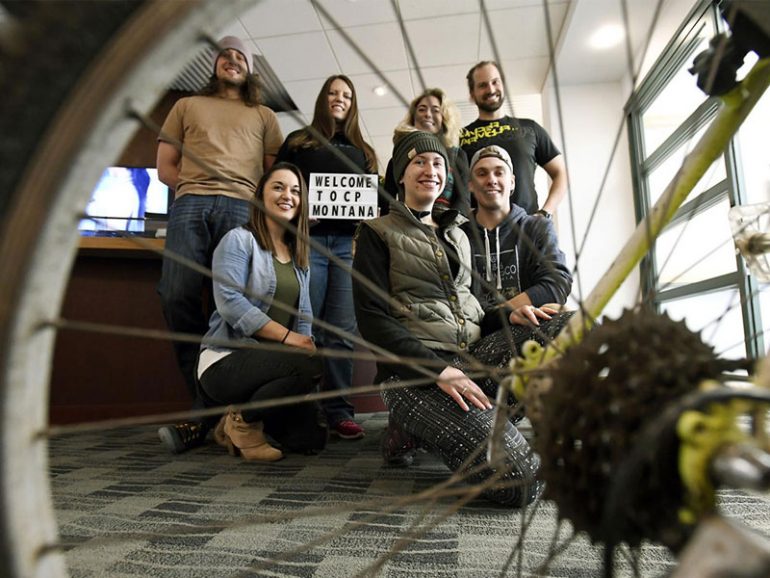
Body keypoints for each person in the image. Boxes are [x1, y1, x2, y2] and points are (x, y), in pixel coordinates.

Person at [353, 130, 559, 507]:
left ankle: (467, 426)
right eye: (419, 161)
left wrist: (511, 316)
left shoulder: (459, 233)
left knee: (567, 327)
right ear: (401, 173)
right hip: (415, 373)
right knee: (520, 482)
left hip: (472, 358)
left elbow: (475, 309)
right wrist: (439, 371)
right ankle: (427, 426)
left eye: (437, 164)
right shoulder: (376, 232)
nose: (430, 169)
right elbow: (372, 321)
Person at [156, 36, 284, 453]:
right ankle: (207, 402)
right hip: (190, 203)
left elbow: (272, 176)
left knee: (234, 308)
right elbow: (164, 168)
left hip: (240, 210)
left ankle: (207, 413)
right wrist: (195, 189)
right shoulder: (186, 106)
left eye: (240, 56)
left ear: (250, 68)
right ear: (214, 64)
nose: (232, 60)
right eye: (225, 55)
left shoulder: (264, 114)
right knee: (177, 295)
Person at [197, 162, 323, 462]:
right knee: (306, 366)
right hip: (226, 361)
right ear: (260, 196)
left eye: (295, 191)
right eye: (278, 187)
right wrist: (291, 340)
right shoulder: (239, 240)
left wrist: (306, 343)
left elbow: (303, 312)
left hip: (274, 367)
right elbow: (229, 302)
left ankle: (238, 419)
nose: (287, 195)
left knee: (311, 440)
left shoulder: (298, 254)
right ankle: (242, 419)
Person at [275, 75, 377, 440]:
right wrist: (301, 211)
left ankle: (338, 411)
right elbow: (276, 184)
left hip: (348, 247)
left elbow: (373, 203)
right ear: (323, 99)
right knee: (306, 328)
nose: (340, 99)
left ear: (353, 103)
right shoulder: (298, 142)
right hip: (309, 244)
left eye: (347, 94)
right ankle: (300, 408)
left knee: (342, 331)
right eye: (333, 93)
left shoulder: (363, 150)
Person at [463, 145, 573, 321]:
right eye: (482, 174)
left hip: (530, 327)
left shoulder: (537, 227)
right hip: (477, 334)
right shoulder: (458, 235)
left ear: (512, 182)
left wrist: (503, 312)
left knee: (569, 315)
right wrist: (502, 317)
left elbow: (557, 283)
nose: (491, 180)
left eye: (499, 173)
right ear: (470, 185)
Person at [460, 61, 567, 219]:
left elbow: (561, 173)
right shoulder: (460, 137)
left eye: (495, 82)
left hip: (528, 230)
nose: (491, 89)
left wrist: (546, 213)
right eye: (482, 85)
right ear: (472, 94)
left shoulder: (530, 129)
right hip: (479, 235)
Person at [382, 88, 469, 217]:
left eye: (435, 110)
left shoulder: (457, 156)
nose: (428, 114)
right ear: (413, 117)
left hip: (445, 227)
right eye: (422, 109)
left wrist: (449, 226)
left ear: (444, 118)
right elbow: (386, 201)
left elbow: (463, 201)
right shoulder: (397, 159)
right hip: (406, 227)